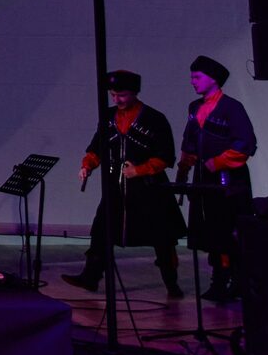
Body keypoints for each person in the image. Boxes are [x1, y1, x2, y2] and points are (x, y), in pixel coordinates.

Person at [59, 69, 186, 297]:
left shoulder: (155, 119)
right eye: (113, 95)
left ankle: (172, 284)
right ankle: (90, 277)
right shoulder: (108, 117)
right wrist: (87, 165)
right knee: (101, 230)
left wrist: (140, 170)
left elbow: (166, 156)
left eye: (123, 95)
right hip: (115, 189)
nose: (117, 100)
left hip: (149, 190)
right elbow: (97, 147)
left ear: (135, 93)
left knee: (162, 237)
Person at [177, 54, 257, 302]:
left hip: (228, 180)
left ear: (213, 79)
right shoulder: (194, 107)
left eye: (197, 77)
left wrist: (217, 162)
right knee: (210, 229)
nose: (193, 81)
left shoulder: (232, 107)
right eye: (192, 77)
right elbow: (190, 140)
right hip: (203, 180)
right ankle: (219, 279)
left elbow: (246, 143)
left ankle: (237, 279)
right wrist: (185, 165)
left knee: (228, 229)